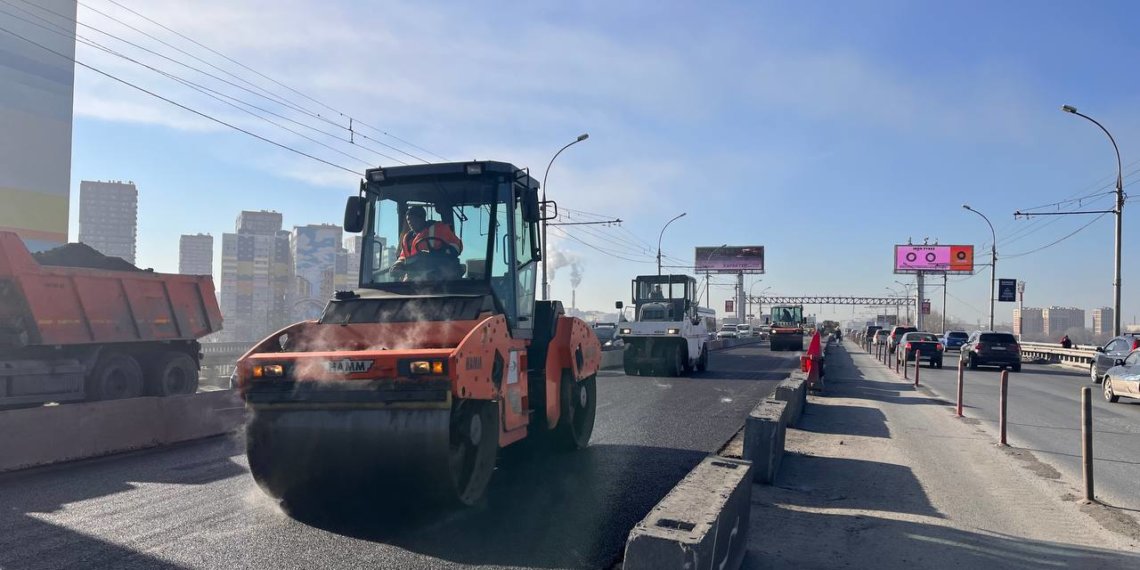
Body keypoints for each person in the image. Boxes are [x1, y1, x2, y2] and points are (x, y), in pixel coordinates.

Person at [391, 205, 463, 277]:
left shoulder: (439, 228)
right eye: (409, 221)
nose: (411, 223)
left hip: (440, 277)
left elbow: (457, 245)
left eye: (414, 220)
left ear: (422, 218)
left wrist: (442, 252)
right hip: (413, 280)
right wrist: (398, 264)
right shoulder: (407, 238)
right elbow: (403, 256)